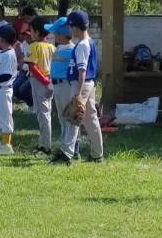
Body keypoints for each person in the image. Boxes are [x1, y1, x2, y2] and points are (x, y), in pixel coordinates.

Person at [52, 10, 104, 164]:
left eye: (70, 26)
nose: (69, 30)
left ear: (75, 27)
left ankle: (66, 154)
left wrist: (78, 95)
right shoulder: (90, 42)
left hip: (81, 83)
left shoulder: (81, 45)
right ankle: (97, 155)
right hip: (89, 82)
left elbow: (82, 71)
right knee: (90, 119)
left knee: (73, 117)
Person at [45, 17, 79, 160]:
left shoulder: (72, 50)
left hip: (66, 85)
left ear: (62, 34)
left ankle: (68, 149)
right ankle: (69, 146)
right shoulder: (59, 48)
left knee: (69, 117)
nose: (54, 35)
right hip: (57, 85)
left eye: (56, 32)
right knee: (61, 117)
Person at [26, 17, 56, 156]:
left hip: (40, 82)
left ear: (37, 32)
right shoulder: (52, 46)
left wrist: (43, 80)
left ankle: (46, 147)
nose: (29, 33)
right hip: (50, 81)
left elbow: (32, 66)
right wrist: (49, 80)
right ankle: (42, 143)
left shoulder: (34, 46)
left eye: (31, 30)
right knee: (46, 113)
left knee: (42, 114)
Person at [0, 24, 19, 155]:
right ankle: (3, 143)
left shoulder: (8, 54)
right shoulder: (1, 52)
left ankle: (7, 145)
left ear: (2, 39)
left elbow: (6, 75)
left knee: (4, 116)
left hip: (4, 88)